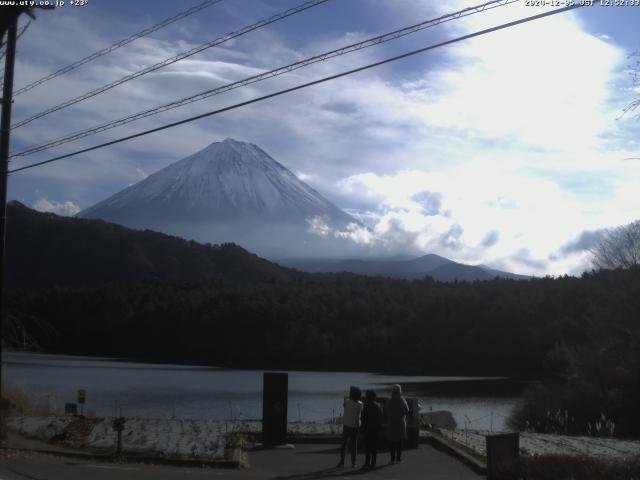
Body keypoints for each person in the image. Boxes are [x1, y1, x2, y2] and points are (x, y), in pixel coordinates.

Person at [337, 386, 363, 468]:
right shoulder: (360, 404)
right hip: (355, 425)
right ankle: (353, 462)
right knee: (353, 444)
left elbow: (344, 405)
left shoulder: (347, 401)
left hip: (346, 425)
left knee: (344, 444)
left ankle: (342, 461)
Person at [386, 383, 409, 464]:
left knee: (392, 441)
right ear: (400, 391)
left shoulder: (389, 400)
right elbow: (407, 411)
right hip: (400, 422)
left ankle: (392, 459)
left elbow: (387, 411)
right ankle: (398, 458)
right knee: (399, 441)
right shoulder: (402, 400)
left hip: (392, 422)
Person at [360, 389, 382, 468]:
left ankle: (367, 462)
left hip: (367, 428)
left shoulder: (365, 406)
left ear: (367, 397)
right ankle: (373, 462)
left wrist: (362, 428)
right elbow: (380, 417)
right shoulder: (378, 406)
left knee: (367, 447)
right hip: (375, 428)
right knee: (374, 446)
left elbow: (363, 418)